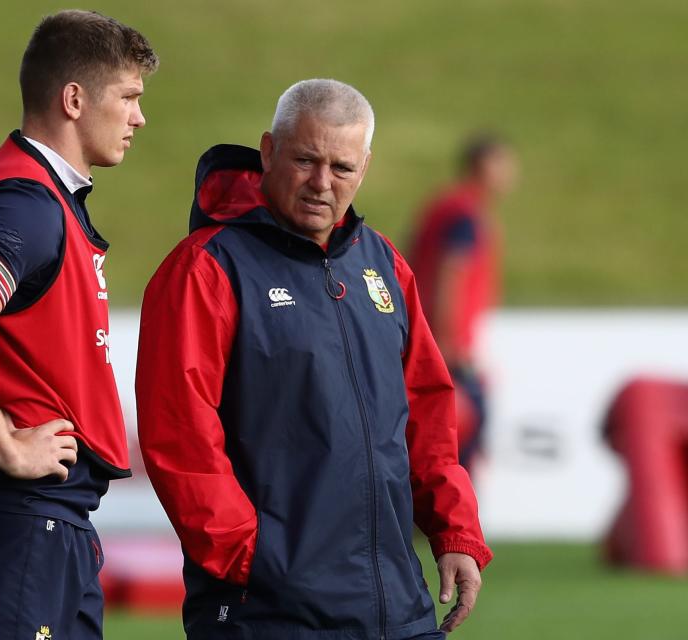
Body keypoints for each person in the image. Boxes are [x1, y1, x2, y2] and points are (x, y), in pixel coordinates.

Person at [136, 79, 492, 639]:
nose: (322, 183)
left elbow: (426, 412)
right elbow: (178, 432)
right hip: (270, 611)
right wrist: (250, 559)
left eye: (342, 168)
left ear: (365, 168)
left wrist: (455, 532)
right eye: (305, 160)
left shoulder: (384, 265)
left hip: (397, 609)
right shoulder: (205, 270)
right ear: (269, 151)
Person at [0, 11, 157, 640]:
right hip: (15, 519)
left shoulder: (44, 197)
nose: (139, 117)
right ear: (74, 99)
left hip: (42, 523)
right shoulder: (26, 204)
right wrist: (7, 446)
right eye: (128, 97)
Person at [407, 134, 517, 471]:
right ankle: (458, 521)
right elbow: (450, 274)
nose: (511, 173)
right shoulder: (465, 214)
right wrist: (450, 341)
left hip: (424, 337)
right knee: (464, 435)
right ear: (482, 167)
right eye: (504, 163)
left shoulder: (443, 207)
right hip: (446, 346)